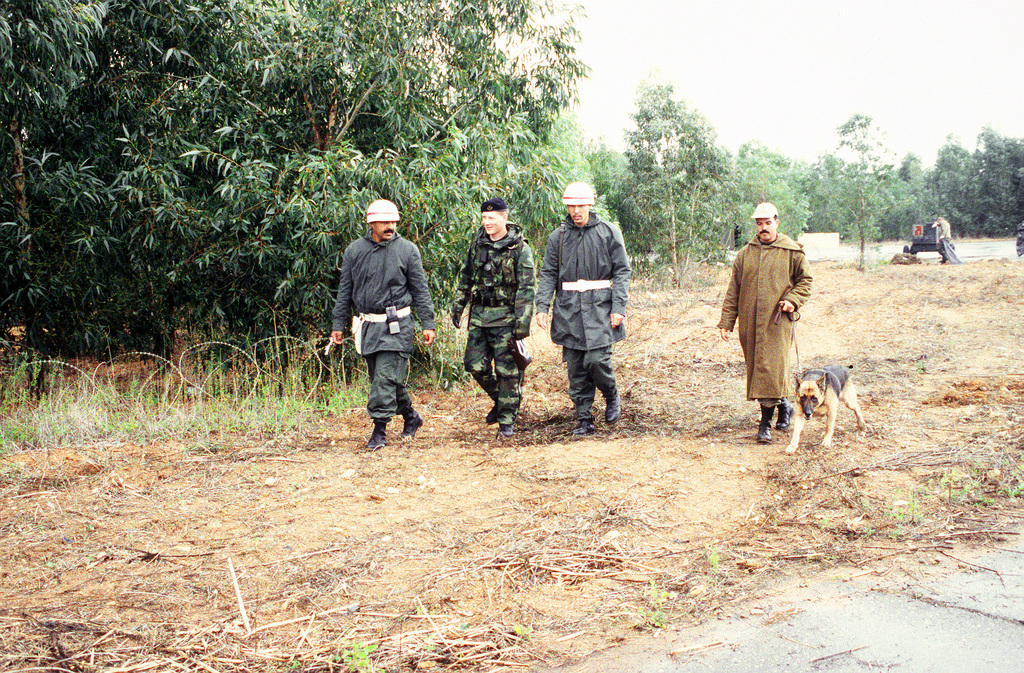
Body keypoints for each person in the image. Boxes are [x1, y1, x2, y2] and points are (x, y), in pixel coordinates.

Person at [330, 199, 436, 450]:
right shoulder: (355, 251)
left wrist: (428, 323)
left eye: (393, 222)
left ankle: (379, 431)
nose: (390, 226)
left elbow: (420, 289)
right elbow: (345, 290)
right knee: (383, 378)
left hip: (397, 325)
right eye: (385, 222)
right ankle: (411, 417)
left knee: (384, 378)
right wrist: (338, 323)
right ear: (371, 223)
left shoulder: (407, 250)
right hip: (368, 326)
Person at [536, 181, 631, 436]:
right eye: (571, 206)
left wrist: (618, 306)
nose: (575, 210)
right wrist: (542, 306)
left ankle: (612, 396)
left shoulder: (609, 232)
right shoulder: (558, 237)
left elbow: (622, 271)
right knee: (576, 366)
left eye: (580, 205)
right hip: (569, 309)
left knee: (597, 360)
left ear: (590, 204)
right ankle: (584, 417)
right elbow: (548, 273)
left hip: (600, 306)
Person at [718, 202, 812, 444]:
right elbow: (733, 291)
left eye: (768, 223)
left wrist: (792, 300)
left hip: (778, 323)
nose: (763, 228)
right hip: (750, 324)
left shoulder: (792, 252)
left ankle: (764, 424)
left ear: (777, 222)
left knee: (772, 367)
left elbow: (805, 282)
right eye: (759, 224)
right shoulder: (745, 254)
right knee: (760, 369)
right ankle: (785, 407)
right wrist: (727, 322)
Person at [452, 198, 535, 437]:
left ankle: (507, 423)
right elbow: (466, 277)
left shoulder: (519, 249)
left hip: (506, 319)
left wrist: (522, 324)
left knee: (507, 371)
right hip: (480, 317)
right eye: (484, 218)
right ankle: (503, 402)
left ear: (504, 218)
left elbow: (527, 289)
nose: (487, 222)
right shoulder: (477, 245)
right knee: (474, 365)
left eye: (492, 218)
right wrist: (458, 305)